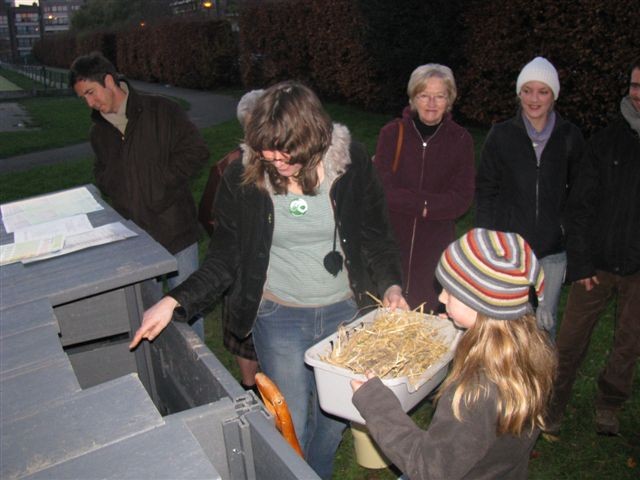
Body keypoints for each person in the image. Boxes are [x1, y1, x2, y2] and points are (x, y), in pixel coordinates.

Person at [129, 81, 408, 479]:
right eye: (269, 156)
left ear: (314, 139)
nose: (278, 165)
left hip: (345, 315)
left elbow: (376, 235)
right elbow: (224, 255)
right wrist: (175, 301)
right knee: (288, 420)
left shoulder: (351, 164)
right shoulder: (244, 176)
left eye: (287, 156)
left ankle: (311, 472)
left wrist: (391, 286)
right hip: (280, 316)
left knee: (335, 420)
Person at [351, 228, 557, 480]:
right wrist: (463, 338)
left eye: (451, 291)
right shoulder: (530, 350)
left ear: (480, 303)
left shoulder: (476, 391)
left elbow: (430, 468)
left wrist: (375, 402)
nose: (440, 296)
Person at [69, 51, 209, 339]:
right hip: (135, 238)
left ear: (109, 80)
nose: (89, 102)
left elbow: (197, 151)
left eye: (91, 93)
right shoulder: (99, 132)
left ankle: (202, 369)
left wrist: (161, 182)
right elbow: (101, 170)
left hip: (176, 231)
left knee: (188, 308)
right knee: (147, 314)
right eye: (83, 97)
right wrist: (111, 182)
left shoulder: (162, 111)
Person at [545, 58, 640, 436]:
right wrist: (581, 265)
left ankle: (609, 405)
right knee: (569, 342)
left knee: (628, 344)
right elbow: (579, 206)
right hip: (596, 266)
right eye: (635, 85)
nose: (639, 94)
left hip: (638, 270)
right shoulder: (604, 142)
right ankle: (552, 405)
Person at [475, 56, 585, 338]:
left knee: (543, 329)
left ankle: (540, 383)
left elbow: (579, 195)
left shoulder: (570, 137)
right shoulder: (500, 136)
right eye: (527, 91)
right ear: (519, 93)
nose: (534, 99)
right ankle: (508, 382)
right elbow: (486, 190)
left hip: (551, 252)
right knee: (507, 328)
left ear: (553, 96)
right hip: (509, 252)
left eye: (542, 91)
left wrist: (568, 237)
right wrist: (487, 241)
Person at [374, 63, 475, 312]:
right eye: (424, 95)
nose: (431, 103)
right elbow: (381, 189)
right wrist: (426, 204)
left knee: (428, 317)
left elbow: (461, 198)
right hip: (393, 241)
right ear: (413, 98)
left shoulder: (461, 139)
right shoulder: (391, 134)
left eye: (439, 96)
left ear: (449, 99)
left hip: (436, 246)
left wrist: (420, 205)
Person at [197, 89, 265, 394]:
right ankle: (249, 385)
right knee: (242, 328)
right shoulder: (229, 166)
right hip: (241, 266)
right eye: (253, 126)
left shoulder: (291, 162)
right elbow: (209, 214)